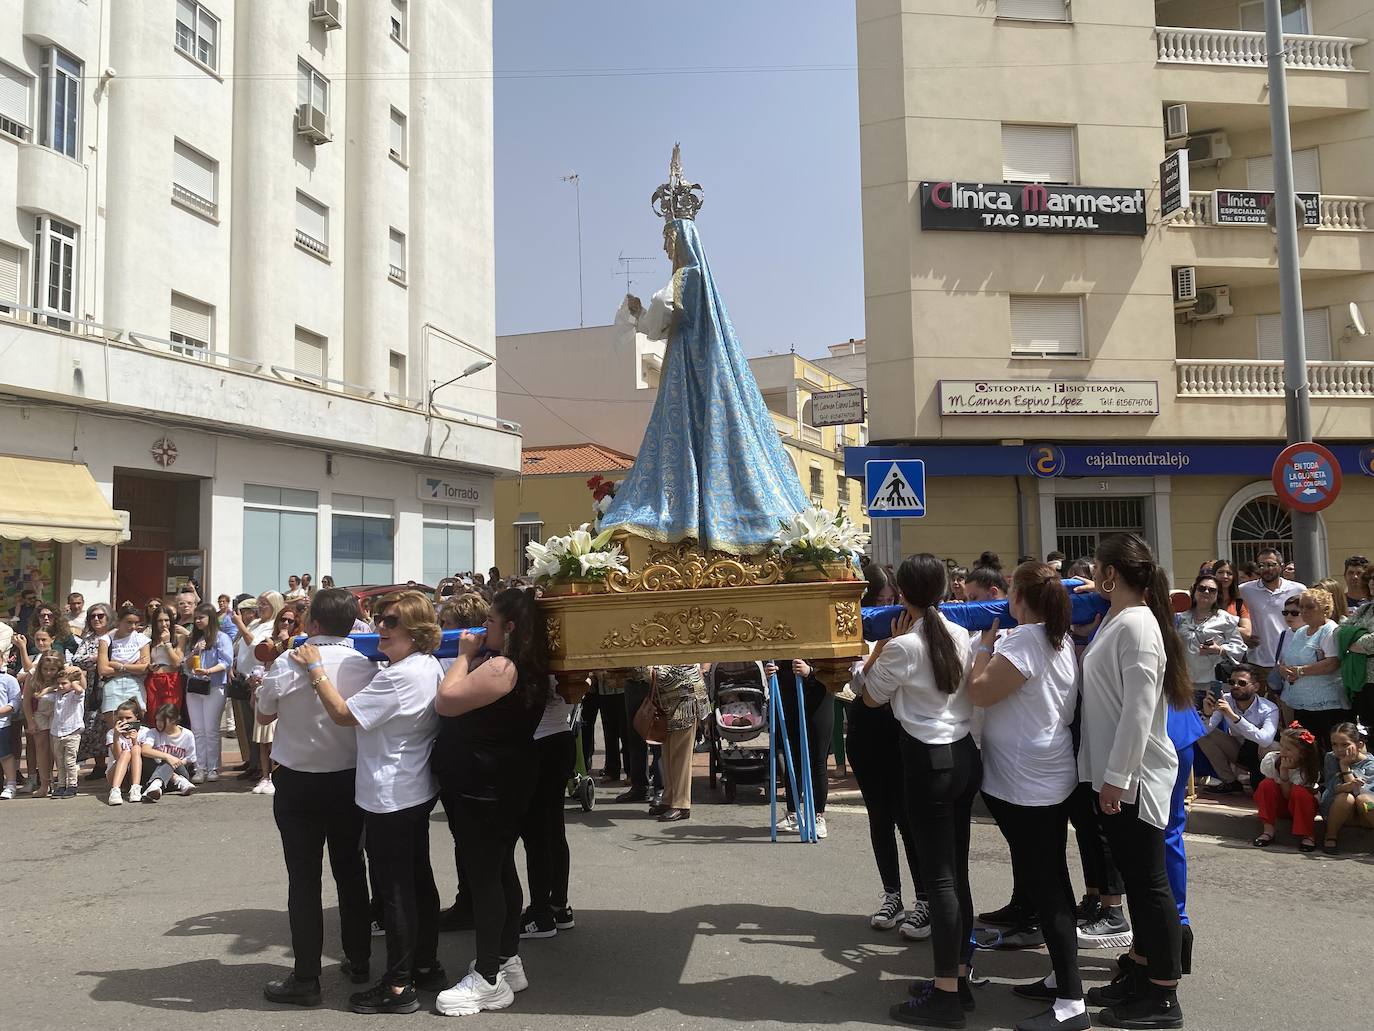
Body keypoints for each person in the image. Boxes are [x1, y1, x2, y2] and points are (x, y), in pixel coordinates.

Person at [298, 590, 444, 1015]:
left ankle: (398, 986)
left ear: (416, 631)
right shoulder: (424, 665)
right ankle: (424, 964)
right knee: (417, 882)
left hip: (390, 793)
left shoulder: (399, 676)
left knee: (397, 890)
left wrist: (315, 670)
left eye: (391, 622)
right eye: (379, 619)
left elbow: (344, 714)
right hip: (411, 788)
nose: (380, 627)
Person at [855, 553, 978, 1029]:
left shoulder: (903, 645)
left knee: (941, 879)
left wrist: (883, 647)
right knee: (956, 874)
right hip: (964, 754)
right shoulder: (960, 634)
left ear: (902, 594)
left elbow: (870, 697)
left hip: (929, 761)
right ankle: (959, 977)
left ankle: (946, 993)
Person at [969, 562, 1086, 1031]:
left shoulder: (1022, 640)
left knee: (1048, 886)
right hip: (1045, 772)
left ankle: (1072, 1004)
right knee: (1050, 877)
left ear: (1017, 596)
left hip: (1026, 779)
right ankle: (1062, 977)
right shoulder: (1056, 638)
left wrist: (981, 649)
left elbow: (980, 692)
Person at [1077, 533, 1187, 1029]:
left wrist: (1116, 778)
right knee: (1141, 880)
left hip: (1134, 777)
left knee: (1148, 884)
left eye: (1097, 567)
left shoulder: (1139, 625)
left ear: (1111, 574)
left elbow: (1138, 713)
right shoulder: (1120, 619)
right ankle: (1142, 972)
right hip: (1115, 773)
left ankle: (1163, 994)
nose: (1092, 575)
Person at [257, 588, 376, 1008]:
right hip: (348, 779)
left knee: (303, 879)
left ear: (315, 623)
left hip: (299, 781)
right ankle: (359, 960)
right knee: (351, 871)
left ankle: (306, 976)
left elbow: (263, 714)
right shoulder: (365, 665)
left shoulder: (290, 662)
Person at [433, 587, 547, 1015]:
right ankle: (506, 958)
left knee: (485, 876)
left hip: (486, 782)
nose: (484, 630)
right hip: (493, 779)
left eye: (492, 623)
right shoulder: (519, 664)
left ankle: (487, 977)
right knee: (498, 869)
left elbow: (446, 701)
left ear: (511, 627)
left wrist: (463, 656)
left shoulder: (502, 667)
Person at [846, 564, 928, 939]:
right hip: (865, 731)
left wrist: (891, 647)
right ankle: (892, 895)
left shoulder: (918, 634)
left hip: (900, 731)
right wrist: (880, 648)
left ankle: (924, 899)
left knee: (909, 818)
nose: (886, 608)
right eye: (877, 602)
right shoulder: (856, 630)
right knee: (879, 817)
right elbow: (858, 686)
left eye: (890, 600)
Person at [434, 592, 492, 932]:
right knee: (464, 838)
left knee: (472, 840)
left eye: (448, 625)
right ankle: (468, 900)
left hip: (466, 754)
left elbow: (445, 698)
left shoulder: (472, 660)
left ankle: (472, 904)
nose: (442, 631)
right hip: (456, 752)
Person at [518, 671, 577, 939]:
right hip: (561, 737)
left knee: (537, 835)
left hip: (538, 744)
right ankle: (558, 906)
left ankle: (541, 913)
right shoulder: (565, 657)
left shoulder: (529, 661)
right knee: (554, 829)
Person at [769, 657, 834, 839]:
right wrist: (774, 672)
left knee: (817, 760)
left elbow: (836, 670)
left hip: (818, 698)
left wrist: (811, 672)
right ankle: (793, 812)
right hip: (790, 699)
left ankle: (818, 816)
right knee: (792, 758)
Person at [1278, 588, 1349, 752]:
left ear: (1325, 609)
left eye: (1309, 607)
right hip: (1302, 703)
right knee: (1306, 750)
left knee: (1326, 750)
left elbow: (1332, 663)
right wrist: (1284, 670)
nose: (1303, 611)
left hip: (1325, 707)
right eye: (1301, 607)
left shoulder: (1330, 630)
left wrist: (1299, 672)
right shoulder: (1301, 631)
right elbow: (1290, 659)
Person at [1197, 666, 1278, 792]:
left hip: (1259, 754)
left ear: (1256, 687)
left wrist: (1234, 717)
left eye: (1242, 683)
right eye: (1231, 682)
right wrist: (1207, 714)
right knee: (1202, 734)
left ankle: (1268, 787)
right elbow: (1205, 730)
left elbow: (1266, 740)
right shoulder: (1225, 700)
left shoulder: (1268, 708)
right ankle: (1230, 782)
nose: (1235, 686)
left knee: (1271, 746)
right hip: (1238, 751)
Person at [232, 592, 285, 783]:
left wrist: (239, 625)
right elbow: (240, 646)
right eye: (259, 603)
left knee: (260, 727)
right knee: (247, 727)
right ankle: (252, 762)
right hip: (245, 678)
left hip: (259, 681)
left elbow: (256, 647)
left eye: (265, 604)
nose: (260, 607)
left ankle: (260, 767)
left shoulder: (272, 627)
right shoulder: (255, 624)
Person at [250, 607, 302, 796]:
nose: (286, 624)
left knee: (277, 739)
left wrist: (285, 641)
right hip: (267, 690)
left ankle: (277, 775)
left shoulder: (299, 641)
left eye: (290, 621)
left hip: (288, 694)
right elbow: (263, 661)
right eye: (283, 620)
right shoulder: (270, 641)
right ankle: (265, 776)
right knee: (264, 739)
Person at [1175, 573, 1246, 709]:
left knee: (1212, 726)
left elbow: (1240, 648)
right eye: (1202, 588)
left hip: (1212, 684)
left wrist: (1219, 650)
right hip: (1184, 684)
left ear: (1217, 594)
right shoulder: (1180, 618)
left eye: (1212, 590)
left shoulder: (1225, 619)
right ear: (1194, 591)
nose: (1206, 592)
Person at [183, 602, 235, 783]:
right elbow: (186, 664)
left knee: (211, 729)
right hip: (195, 687)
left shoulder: (221, 638)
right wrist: (196, 651)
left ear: (210, 618)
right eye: (195, 617)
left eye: (201, 617)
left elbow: (226, 662)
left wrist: (209, 671)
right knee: (197, 729)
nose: (197, 621)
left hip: (214, 686)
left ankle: (213, 768)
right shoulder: (193, 639)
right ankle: (200, 768)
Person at [650, 664, 708, 823]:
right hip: (668, 703)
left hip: (685, 700)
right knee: (667, 754)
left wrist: (646, 669)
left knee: (680, 757)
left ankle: (682, 805)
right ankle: (668, 799)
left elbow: (664, 672)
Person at [1238, 549, 1305, 681]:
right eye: (1261, 565)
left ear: (1281, 565)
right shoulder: (1244, 590)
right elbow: (1227, 616)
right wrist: (1242, 635)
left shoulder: (1299, 590)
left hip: (1291, 662)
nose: (1266, 569)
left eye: (1270, 565)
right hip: (1257, 662)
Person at [1252, 724, 1321, 850]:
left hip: (1299, 807)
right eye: (1282, 746)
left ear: (1302, 753)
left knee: (1301, 792)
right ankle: (1268, 830)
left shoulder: (1307, 771)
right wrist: (1281, 770)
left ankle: (1308, 835)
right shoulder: (1273, 759)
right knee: (1266, 784)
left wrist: (1284, 774)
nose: (1282, 752)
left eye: (1288, 749)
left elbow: (1288, 794)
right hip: (1281, 806)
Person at [1320, 721, 1374, 854]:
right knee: (1346, 797)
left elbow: (1360, 792)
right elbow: (1334, 787)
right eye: (1334, 744)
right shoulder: (1331, 758)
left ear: (1359, 745)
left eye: (1345, 745)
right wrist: (1345, 767)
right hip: (1340, 811)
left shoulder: (1370, 764)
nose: (1339, 749)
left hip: (1366, 813)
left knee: (1365, 800)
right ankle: (1330, 836)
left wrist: (1348, 774)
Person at [97, 603, 150, 727]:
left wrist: (120, 666)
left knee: (135, 727)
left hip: (135, 684)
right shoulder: (106, 639)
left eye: (136, 623)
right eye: (129, 622)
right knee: (114, 728)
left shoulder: (141, 639)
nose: (133, 626)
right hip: (112, 685)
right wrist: (133, 667)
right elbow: (103, 670)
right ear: (119, 621)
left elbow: (144, 668)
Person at [21, 651, 64, 799]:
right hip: (40, 712)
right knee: (41, 747)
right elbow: (26, 700)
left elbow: (80, 681)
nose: (48, 672)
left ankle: (60, 782)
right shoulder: (33, 675)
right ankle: (44, 784)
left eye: (52, 669)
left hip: (57, 712)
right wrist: (30, 721)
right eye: (45, 669)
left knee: (56, 747)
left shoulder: (64, 674)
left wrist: (50, 688)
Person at [138, 703, 197, 801]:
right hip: (165, 778)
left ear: (173, 720)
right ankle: (174, 781)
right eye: (157, 720)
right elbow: (145, 750)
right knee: (159, 759)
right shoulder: (152, 732)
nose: (158, 723)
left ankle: (156, 784)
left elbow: (191, 758)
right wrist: (167, 757)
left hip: (180, 772)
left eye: (162, 721)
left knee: (169, 761)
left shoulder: (187, 734)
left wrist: (175, 761)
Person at [104, 698, 154, 805]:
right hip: (115, 773)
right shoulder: (111, 733)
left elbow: (145, 755)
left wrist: (135, 740)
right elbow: (118, 757)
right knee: (125, 752)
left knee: (136, 749)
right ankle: (115, 790)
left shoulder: (145, 732)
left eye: (128, 718)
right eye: (120, 718)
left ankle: (135, 788)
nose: (124, 721)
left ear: (136, 717)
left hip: (136, 773)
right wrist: (116, 737)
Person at [49, 664, 86, 799]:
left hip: (72, 732)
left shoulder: (75, 695)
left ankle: (72, 785)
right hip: (57, 732)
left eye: (64, 683)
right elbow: (48, 691)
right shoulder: (58, 695)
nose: (60, 686)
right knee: (60, 761)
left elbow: (80, 691)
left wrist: (75, 679)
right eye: (59, 683)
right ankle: (61, 785)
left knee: (70, 761)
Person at [144, 609, 186, 727]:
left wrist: (167, 643)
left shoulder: (179, 637)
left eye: (166, 620)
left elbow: (177, 662)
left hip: (171, 679)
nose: (163, 624)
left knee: (170, 715)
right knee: (153, 716)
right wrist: (149, 666)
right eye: (160, 621)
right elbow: (146, 659)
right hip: (153, 679)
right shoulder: (150, 639)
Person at [0, 667, 20, 799]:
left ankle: (11, 784)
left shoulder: (8, 680)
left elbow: (15, 702)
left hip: (1, 724)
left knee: (5, 755)